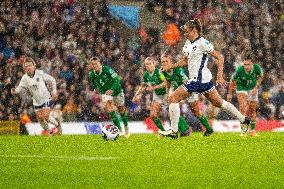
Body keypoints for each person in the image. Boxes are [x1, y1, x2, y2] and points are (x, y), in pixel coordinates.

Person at [160, 19, 250, 138]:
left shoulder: (203, 43)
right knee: (219, 102)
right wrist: (170, 66)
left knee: (173, 98)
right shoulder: (187, 43)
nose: (185, 34)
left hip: (199, 80)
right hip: (204, 80)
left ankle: (174, 131)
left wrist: (219, 76)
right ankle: (244, 119)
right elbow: (185, 61)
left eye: (186, 31)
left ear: (194, 30)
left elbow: (220, 57)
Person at [133, 57, 190, 137]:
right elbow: (143, 86)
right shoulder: (146, 74)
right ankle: (163, 132)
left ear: (153, 64)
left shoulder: (159, 72)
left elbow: (165, 83)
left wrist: (154, 88)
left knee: (172, 113)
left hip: (167, 93)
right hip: (157, 95)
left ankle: (185, 129)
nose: (148, 66)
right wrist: (136, 95)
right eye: (146, 64)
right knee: (153, 115)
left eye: (150, 64)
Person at [160, 52, 214, 137]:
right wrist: (167, 93)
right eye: (162, 62)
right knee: (173, 110)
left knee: (196, 112)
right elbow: (167, 82)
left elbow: (185, 81)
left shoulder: (178, 69)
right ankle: (185, 130)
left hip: (188, 90)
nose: (164, 63)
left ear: (171, 62)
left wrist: (182, 94)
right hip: (177, 93)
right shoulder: (163, 71)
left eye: (166, 61)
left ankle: (208, 129)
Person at [11, 57, 62, 135]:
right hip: (36, 101)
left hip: (46, 98)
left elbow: (52, 80)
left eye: (30, 65)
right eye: (26, 66)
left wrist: (54, 92)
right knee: (40, 119)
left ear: (34, 66)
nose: (28, 67)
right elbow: (20, 88)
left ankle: (57, 125)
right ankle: (50, 132)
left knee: (46, 116)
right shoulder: (24, 78)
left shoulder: (40, 73)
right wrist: (15, 91)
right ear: (24, 68)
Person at [88, 57, 129, 137]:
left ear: (100, 64)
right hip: (105, 93)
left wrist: (112, 89)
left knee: (121, 110)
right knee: (110, 109)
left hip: (116, 91)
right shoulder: (91, 74)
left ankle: (126, 128)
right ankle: (119, 129)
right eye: (92, 64)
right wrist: (97, 91)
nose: (94, 65)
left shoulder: (107, 69)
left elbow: (117, 79)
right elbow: (94, 85)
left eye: (96, 63)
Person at [227, 55, 263, 136]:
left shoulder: (257, 68)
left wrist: (256, 87)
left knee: (252, 110)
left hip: (252, 88)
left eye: (248, 64)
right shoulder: (240, 70)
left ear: (252, 64)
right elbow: (232, 80)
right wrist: (230, 93)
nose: (246, 67)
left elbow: (261, 77)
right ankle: (243, 131)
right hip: (241, 87)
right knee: (243, 108)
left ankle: (252, 131)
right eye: (245, 65)